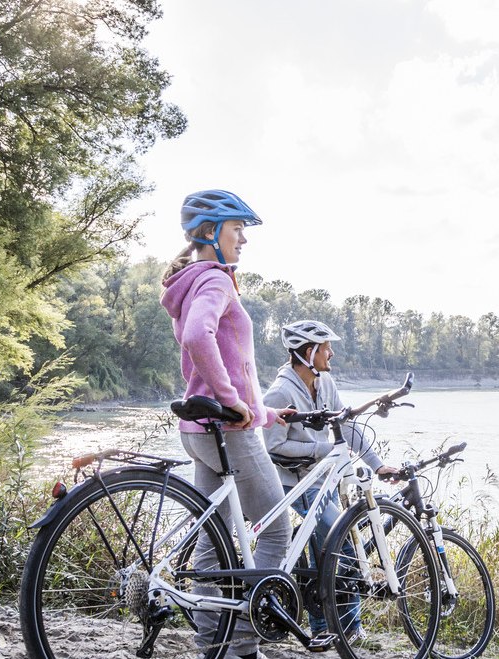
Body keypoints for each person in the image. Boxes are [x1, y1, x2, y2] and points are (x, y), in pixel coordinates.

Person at [160, 189, 293, 659]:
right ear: (212, 233)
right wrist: (234, 401)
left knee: (213, 540)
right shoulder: (215, 279)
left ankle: (212, 644)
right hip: (229, 431)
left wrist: (267, 412)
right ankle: (243, 644)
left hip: (200, 430)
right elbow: (200, 337)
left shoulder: (189, 281)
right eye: (237, 229)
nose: (244, 239)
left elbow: (223, 361)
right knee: (275, 529)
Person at [262, 320, 400, 643]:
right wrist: (320, 450)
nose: (331, 354)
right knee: (343, 545)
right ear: (309, 352)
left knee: (324, 548)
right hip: (295, 482)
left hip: (324, 480)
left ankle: (323, 627)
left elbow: (346, 426)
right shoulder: (280, 391)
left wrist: (377, 465)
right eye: (326, 348)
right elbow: (273, 446)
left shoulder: (325, 383)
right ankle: (348, 628)